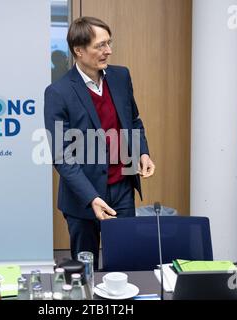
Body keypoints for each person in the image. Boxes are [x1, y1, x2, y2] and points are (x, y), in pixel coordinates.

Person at [44, 17, 155, 269]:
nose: (109, 51)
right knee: (85, 268)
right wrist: (91, 197)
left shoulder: (120, 76)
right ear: (79, 50)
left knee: (126, 262)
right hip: (83, 197)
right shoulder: (58, 93)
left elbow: (133, 120)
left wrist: (142, 153)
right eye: (101, 45)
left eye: (109, 43)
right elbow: (62, 156)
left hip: (122, 188)